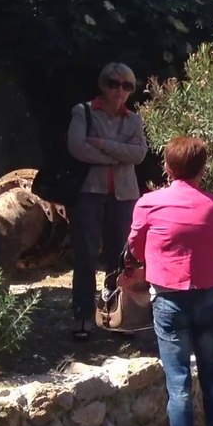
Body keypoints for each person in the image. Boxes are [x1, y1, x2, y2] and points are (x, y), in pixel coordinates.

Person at [127, 136, 213, 426]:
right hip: (210, 297)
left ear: (167, 168)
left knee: (179, 384)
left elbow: (135, 247)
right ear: (202, 169)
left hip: (170, 300)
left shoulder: (150, 204)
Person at [68, 62, 149, 341]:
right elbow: (78, 148)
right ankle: (82, 315)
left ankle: (117, 314)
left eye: (127, 86)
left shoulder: (134, 120)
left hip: (124, 195)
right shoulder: (84, 112)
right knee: (85, 255)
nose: (120, 90)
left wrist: (101, 144)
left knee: (121, 257)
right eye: (114, 83)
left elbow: (139, 154)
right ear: (102, 85)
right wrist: (119, 156)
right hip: (89, 193)